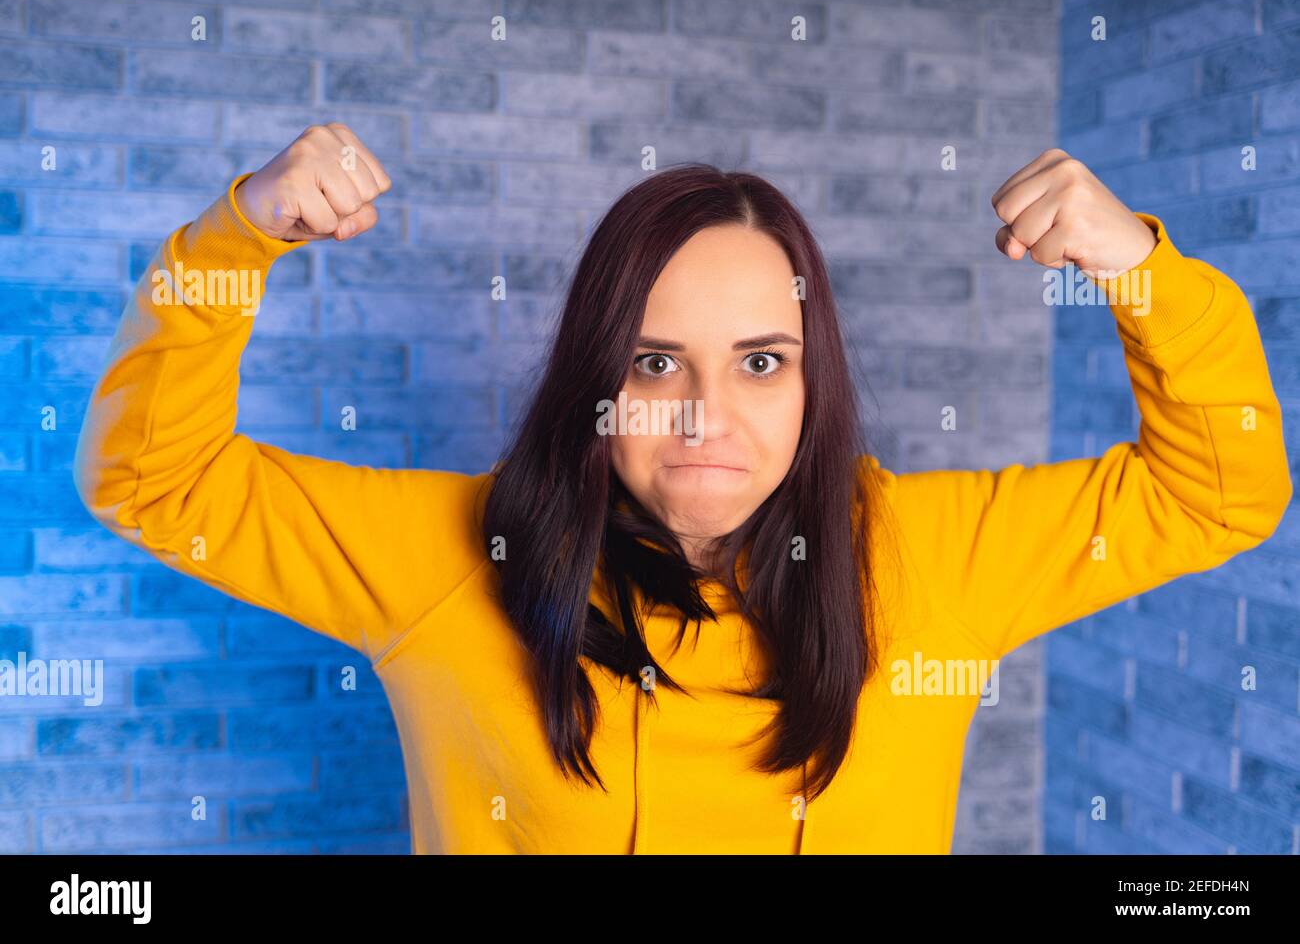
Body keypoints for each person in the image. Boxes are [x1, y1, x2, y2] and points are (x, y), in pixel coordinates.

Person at [73, 124, 1292, 853]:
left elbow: (1222, 488)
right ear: (597, 376)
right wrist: (237, 234)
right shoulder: (444, 558)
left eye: (761, 362)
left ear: (814, 383)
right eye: (656, 362)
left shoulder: (935, 557)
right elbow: (152, 475)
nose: (705, 414)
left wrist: (1137, 267)